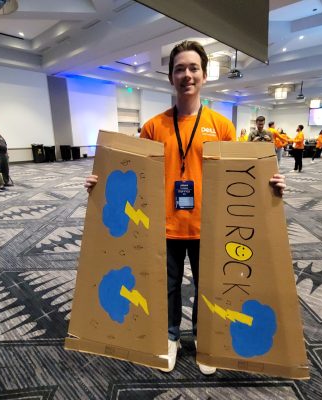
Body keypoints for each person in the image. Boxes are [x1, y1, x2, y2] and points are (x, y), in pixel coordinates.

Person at [84, 40, 286, 374]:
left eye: (193, 68)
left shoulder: (221, 126)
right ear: (170, 77)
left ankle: (207, 340)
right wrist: (100, 183)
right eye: (180, 69)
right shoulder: (154, 126)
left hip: (210, 225)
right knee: (168, 286)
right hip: (164, 224)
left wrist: (270, 187)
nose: (187, 75)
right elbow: (135, 173)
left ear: (205, 76)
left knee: (211, 285)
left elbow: (238, 176)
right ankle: (170, 336)